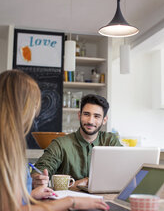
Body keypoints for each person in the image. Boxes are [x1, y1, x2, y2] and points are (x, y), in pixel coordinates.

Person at [0, 69, 109, 211]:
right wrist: (71, 201)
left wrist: (31, 194)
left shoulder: (9, 143)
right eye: (33, 104)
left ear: (104, 120)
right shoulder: (6, 148)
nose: (35, 112)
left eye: (96, 116)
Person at [32, 94, 122, 189]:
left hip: (104, 200)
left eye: (97, 116)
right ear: (79, 115)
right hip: (68, 201)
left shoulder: (111, 142)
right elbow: (41, 169)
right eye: (86, 114)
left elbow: (124, 171)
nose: (90, 121)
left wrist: (88, 181)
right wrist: (38, 177)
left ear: (104, 120)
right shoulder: (61, 144)